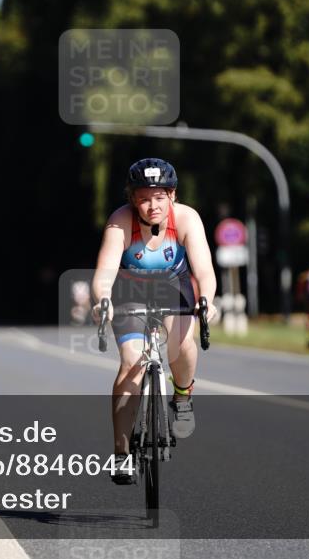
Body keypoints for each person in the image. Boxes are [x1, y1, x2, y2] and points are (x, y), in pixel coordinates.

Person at [91, 158, 217, 484]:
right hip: (129, 291)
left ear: (172, 196)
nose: (152, 206)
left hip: (174, 289)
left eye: (159, 197)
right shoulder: (120, 220)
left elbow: (203, 269)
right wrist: (102, 300)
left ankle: (182, 397)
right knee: (131, 364)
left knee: (182, 343)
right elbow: (104, 271)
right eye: (144, 198)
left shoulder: (187, 218)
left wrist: (207, 300)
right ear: (132, 198)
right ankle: (121, 454)